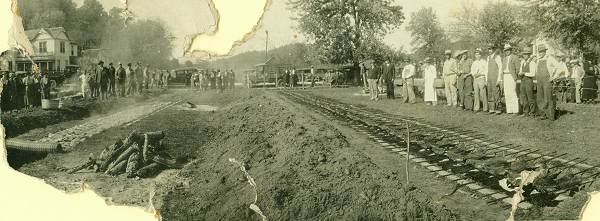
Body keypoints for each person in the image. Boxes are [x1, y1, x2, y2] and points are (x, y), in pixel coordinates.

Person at [536, 44, 558, 120]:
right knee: (540, 98)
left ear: (545, 51)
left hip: (547, 81)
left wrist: (553, 77)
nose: (540, 53)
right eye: (539, 52)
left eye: (542, 51)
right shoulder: (538, 60)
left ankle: (551, 115)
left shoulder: (550, 58)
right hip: (539, 81)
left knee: (548, 97)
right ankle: (543, 114)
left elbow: (558, 67)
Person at [501, 44, 520, 114]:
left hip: (511, 76)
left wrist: (516, 77)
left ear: (510, 50)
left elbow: (518, 68)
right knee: (506, 93)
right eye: (506, 50)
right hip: (505, 76)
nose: (507, 51)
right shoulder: (504, 59)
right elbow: (502, 69)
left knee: (512, 93)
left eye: (508, 50)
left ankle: (515, 111)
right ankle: (509, 110)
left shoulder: (515, 57)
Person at [518, 47, 537, 116]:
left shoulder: (532, 63)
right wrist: (520, 73)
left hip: (529, 81)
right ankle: (525, 112)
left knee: (530, 97)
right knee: (523, 97)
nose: (525, 56)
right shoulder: (522, 62)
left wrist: (524, 73)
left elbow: (533, 74)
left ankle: (532, 112)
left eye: (526, 54)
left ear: (529, 55)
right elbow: (520, 71)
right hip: (523, 81)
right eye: (524, 54)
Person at [487, 45, 503, 114]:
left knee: (496, 93)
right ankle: (491, 108)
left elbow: (500, 68)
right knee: (490, 92)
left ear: (493, 49)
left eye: (491, 49)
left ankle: (498, 109)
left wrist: (499, 79)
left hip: (495, 77)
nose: (490, 50)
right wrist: (486, 79)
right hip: (489, 77)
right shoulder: (488, 57)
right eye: (489, 49)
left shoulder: (497, 57)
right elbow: (486, 69)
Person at [471, 48, 488, 112]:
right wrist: (474, 74)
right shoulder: (474, 63)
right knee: (476, 93)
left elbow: (486, 71)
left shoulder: (484, 62)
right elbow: (472, 71)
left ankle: (485, 108)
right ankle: (476, 107)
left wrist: (481, 74)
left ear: (480, 55)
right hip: (475, 79)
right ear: (475, 55)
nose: (477, 56)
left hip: (482, 78)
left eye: (478, 54)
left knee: (483, 93)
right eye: (476, 54)